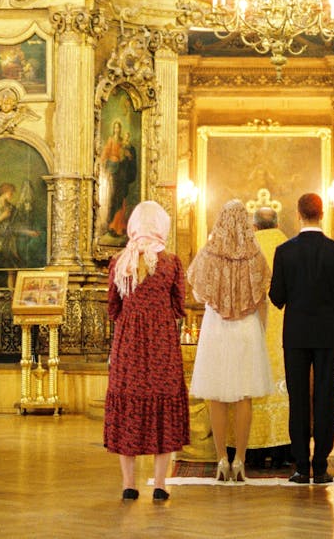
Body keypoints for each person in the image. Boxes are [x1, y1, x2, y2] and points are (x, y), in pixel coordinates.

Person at [103, 201, 190, 503]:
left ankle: (129, 484)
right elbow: (179, 306)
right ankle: (160, 484)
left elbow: (112, 307)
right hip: (161, 342)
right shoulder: (171, 262)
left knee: (128, 403)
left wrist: (132, 315)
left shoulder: (118, 261)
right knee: (162, 403)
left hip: (128, 342)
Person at [187, 199, 272, 484]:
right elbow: (262, 295)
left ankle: (222, 458)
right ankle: (240, 461)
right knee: (244, 394)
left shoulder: (208, 255)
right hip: (247, 327)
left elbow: (198, 294)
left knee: (217, 393)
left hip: (216, 326)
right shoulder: (256, 256)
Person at [269, 192, 334, 485]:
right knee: (326, 399)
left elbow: (277, 296)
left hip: (297, 334)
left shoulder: (285, 251)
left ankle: (302, 466)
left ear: (298, 214)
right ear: (322, 214)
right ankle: (322, 466)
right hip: (329, 333)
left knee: (299, 399)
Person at [241, 205, 291, 470]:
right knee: (282, 383)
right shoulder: (288, 244)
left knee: (252, 380)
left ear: (255, 225)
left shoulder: (246, 247)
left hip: (252, 323)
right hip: (284, 325)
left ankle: (252, 452)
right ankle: (283, 450)